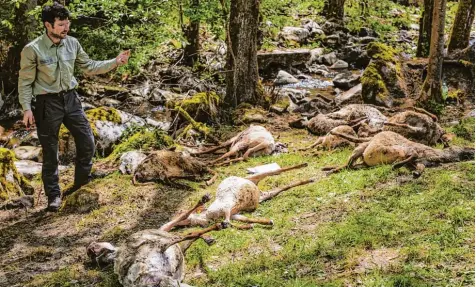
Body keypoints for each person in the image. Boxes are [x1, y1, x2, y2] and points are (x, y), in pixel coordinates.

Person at [18, 2, 130, 211]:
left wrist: (115, 61)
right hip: (46, 103)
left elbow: (89, 67)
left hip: (71, 99)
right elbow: (24, 82)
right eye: (61, 24)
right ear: (48, 25)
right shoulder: (32, 50)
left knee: (87, 140)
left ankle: (81, 183)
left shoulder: (73, 44)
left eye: (67, 23)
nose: (66, 28)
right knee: (50, 152)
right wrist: (26, 108)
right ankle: (54, 196)